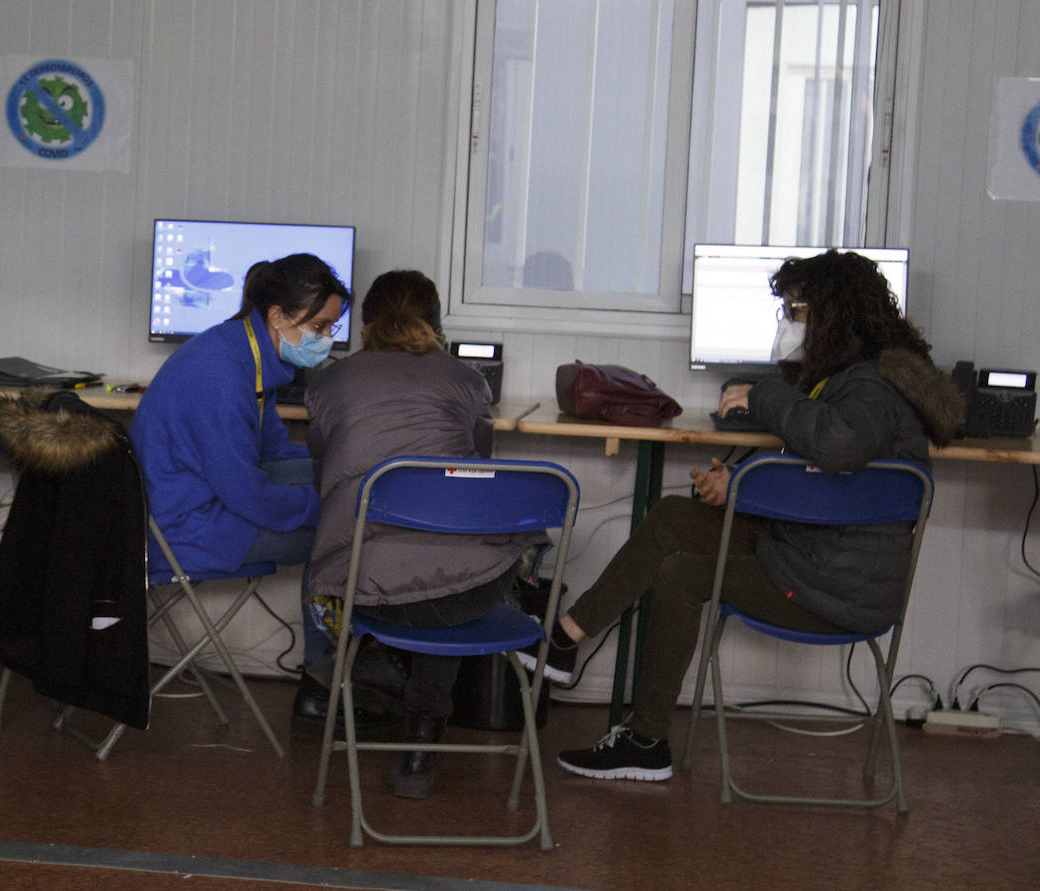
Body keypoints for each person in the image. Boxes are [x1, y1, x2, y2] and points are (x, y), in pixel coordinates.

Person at [525, 248, 964, 782]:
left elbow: (839, 449)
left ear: (833, 315)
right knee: (671, 518)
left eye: (796, 311)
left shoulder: (870, 388)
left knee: (682, 575)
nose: (788, 323)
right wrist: (742, 485)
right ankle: (567, 639)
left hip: (835, 588)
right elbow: (825, 481)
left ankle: (646, 741)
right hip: (820, 555)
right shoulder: (857, 378)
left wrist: (764, 397)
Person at [304, 269, 544, 799]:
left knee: (361, 555)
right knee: (455, 564)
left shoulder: (327, 384)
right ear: (437, 324)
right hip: (466, 594)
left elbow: (324, 470)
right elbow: (482, 465)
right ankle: (420, 735)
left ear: (365, 324)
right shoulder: (467, 382)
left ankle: (358, 667)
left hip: (360, 593)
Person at [129, 252, 376, 739]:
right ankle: (323, 688)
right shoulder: (220, 375)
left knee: (344, 487)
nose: (326, 339)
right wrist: (329, 506)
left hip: (199, 504)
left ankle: (329, 679)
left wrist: (339, 477)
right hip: (185, 529)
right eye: (322, 326)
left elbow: (270, 450)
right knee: (345, 538)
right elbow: (246, 492)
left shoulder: (241, 352)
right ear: (278, 316)